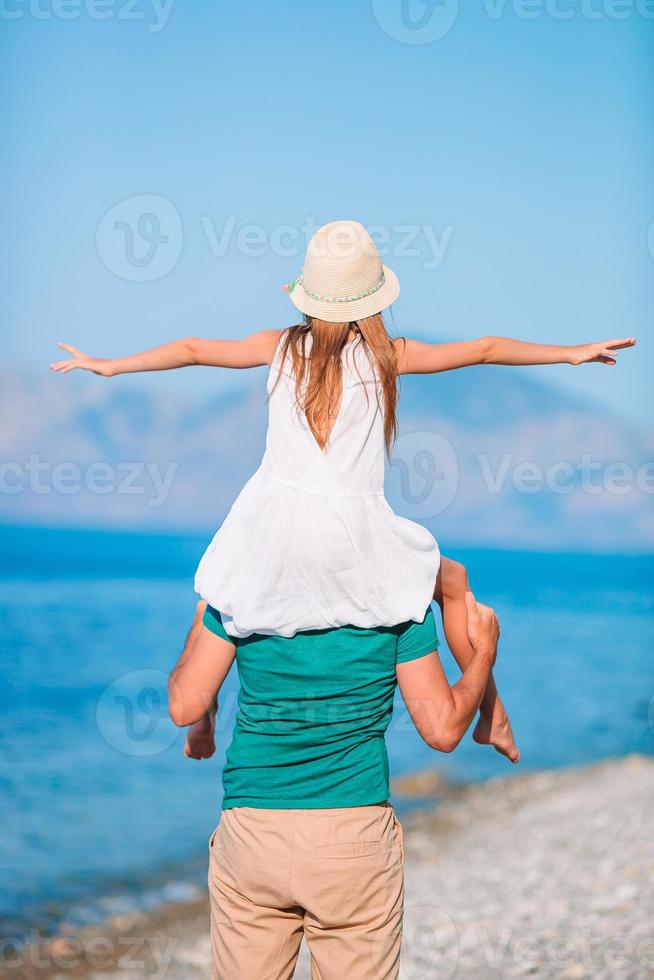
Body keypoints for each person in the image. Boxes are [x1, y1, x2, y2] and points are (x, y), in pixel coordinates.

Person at [50, 219, 635, 763]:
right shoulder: (388, 358)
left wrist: (112, 366)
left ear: (308, 296)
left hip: (270, 528)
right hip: (351, 535)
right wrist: (570, 352)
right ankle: (494, 715)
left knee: (220, 597)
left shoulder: (278, 347)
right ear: (373, 301)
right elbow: (483, 348)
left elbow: (193, 349)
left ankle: (201, 721)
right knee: (453, 584)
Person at [168, 588, 501, 979]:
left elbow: (183, 706)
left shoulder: (241, 596)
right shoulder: (398, 605)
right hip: (351, 834)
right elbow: (443, 731)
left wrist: (199, 628)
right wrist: (484, 653)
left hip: (254, 833)